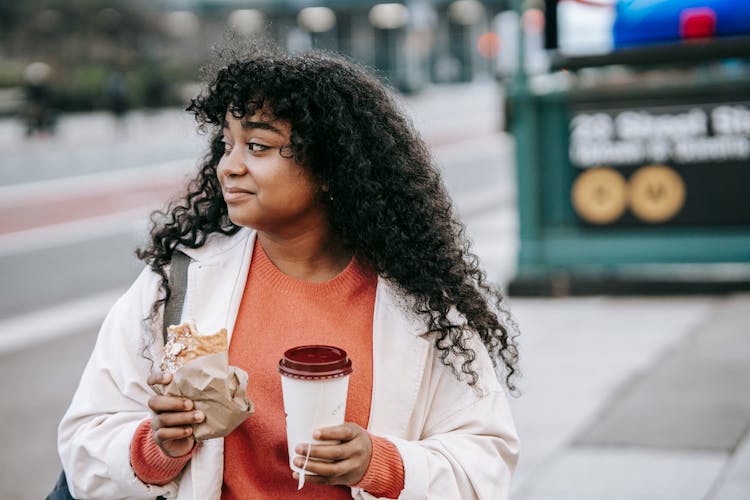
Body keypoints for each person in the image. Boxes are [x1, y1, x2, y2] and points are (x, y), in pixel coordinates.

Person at [57, 46, 520, 500]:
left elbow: (486, 463)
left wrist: (382, 465)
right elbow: (86, 441)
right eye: (226, 144)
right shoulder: (177, 284)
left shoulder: (421, 303)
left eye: (258, 146)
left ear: (329, 167)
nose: (228, 166)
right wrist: (155, 448)